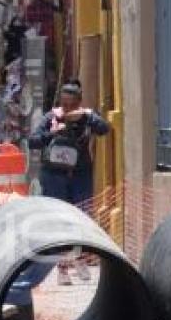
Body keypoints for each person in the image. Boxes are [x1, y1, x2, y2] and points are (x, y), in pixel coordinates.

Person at [29, 79, 110, 285]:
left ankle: (80, 259)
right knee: (59, 222)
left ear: (79, 103)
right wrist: (53, 133)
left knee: (82, 218)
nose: (68, 109)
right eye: (64, 104)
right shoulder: (52, 118)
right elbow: (33, 141)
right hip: (54, 177)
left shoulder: (86, 117)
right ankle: (62, 268)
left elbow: (104, 129)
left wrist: (87, 116)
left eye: (72, 105)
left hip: (80, 176)